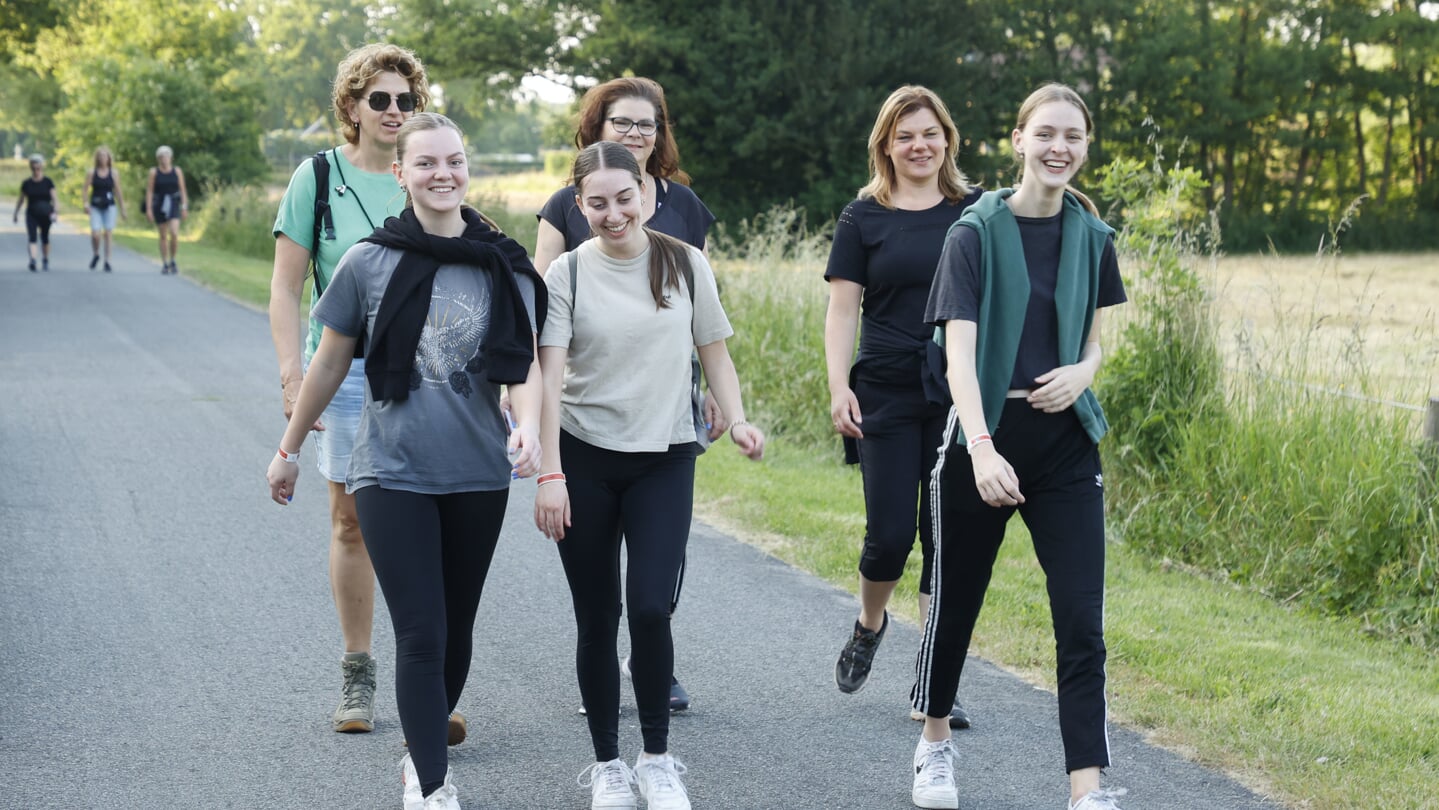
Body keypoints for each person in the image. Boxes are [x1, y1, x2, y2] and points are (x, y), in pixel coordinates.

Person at [268, 112, 545, 810]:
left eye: (453, 161)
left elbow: (522, 366)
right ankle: (430, 783)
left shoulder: (503, 262)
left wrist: (529, 427)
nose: (442, 174)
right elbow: (328, 361)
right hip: (390, 471)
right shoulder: (369, 260)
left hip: (479, 473)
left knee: (455, 630)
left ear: (466, 166)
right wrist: (289, 449)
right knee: (420, 631)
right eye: (425, 163)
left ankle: (420, 748)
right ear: (400, 173)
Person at [911, 83, 1129, 810]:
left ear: (1084, 146)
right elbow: (958, 359)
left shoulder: (1094, 238)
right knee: (956, 602)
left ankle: (1086, 788)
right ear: (1017, 140)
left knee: (1079, 619)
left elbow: (1099, 333)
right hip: (984, 435)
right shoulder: (971, 233)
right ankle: (934, 742)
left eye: (1072, 136)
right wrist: (980, 448)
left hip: (1066, 446)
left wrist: (1085, 371)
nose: (1058, 148)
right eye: (1045, 134)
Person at [534, 140, 765, 810]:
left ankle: (657, 758)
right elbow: (547, 381)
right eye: (597, 203)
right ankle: (607, 763)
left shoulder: (684, 262)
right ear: (579, 206)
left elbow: (713, 352)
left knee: (650, 608)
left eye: (624, 198)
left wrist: (739, 416)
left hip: (664, 457)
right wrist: (550, 473)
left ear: (646, 194)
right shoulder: (567, 276)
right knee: (597, 615)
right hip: (583, 456)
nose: (612, 214)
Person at [534, 76, 720, 715]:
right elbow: (543, 304)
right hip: (589, 412)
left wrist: (718, 393)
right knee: (598, 585)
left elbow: (702, 318)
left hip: (666, 410)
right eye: (623, 123)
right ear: (598, 128)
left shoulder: (687, 211)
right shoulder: (567, 205)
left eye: (647, 124)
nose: (636, 134)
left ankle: (651, 657)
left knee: (656, 566)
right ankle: (610, 668)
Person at [269, 42, 434, 739]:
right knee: (350, 521)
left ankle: (428, 674)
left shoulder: (423, 173)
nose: (394, 112)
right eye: (381, 100)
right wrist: (291, 372)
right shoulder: (318, 175)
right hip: (339, 372)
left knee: (424, 523)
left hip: (420, 377)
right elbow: (283, 288)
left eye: (406, 101)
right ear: (351, 108)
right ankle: (357, 670)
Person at [825, 86, 983, 732]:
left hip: (958, 391)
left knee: (945, 541)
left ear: (947, 138)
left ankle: (934, 679)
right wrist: (839, 386)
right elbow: (842, 311)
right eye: (904, 135)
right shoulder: (862, 218)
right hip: (884, 387)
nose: (919, 145)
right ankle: (869, 624)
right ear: (885, 146)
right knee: (889, 537)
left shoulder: (976, 213)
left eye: (929, 133)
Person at [82, 146, 127, 272]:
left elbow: (118, 191)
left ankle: (108, 260)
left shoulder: (113, 173)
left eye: (105, 156)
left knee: (108, 232)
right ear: (97, 158)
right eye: (100, 156)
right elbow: (85, 190)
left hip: (109, 206)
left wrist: (123, 208)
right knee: (96, 233)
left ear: (109, 158)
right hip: (95, 206)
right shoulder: (92, 172)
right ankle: (96, 253)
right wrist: (85, 204)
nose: (103, 158)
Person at [145, 145, 189, 274]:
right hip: (160, 203)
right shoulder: (154, 172)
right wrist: (149, 209)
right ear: (158, 159)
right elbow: (150, 191)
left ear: (171, 158)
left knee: (174, 232)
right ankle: (164, 262)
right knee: (163, 234)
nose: (165, 159)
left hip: (174, 202)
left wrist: (185, 206)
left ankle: (173, 259)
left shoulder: (177, 171)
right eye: (162, 157)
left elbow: (182, 189)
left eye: (167, 156)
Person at [13, 154, 57, 272]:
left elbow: (54, 198)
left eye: (38, 165)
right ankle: (33, 259)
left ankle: (45, 259)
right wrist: (16, 213)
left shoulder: (48, 182)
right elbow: (21, 199)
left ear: (41, 166)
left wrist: (55, 211)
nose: (36, 168)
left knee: (45, 237)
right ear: (31, 167)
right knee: (32, 237)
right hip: (32, 213)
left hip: (46, 213)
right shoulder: (27, 183)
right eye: (34, 165)